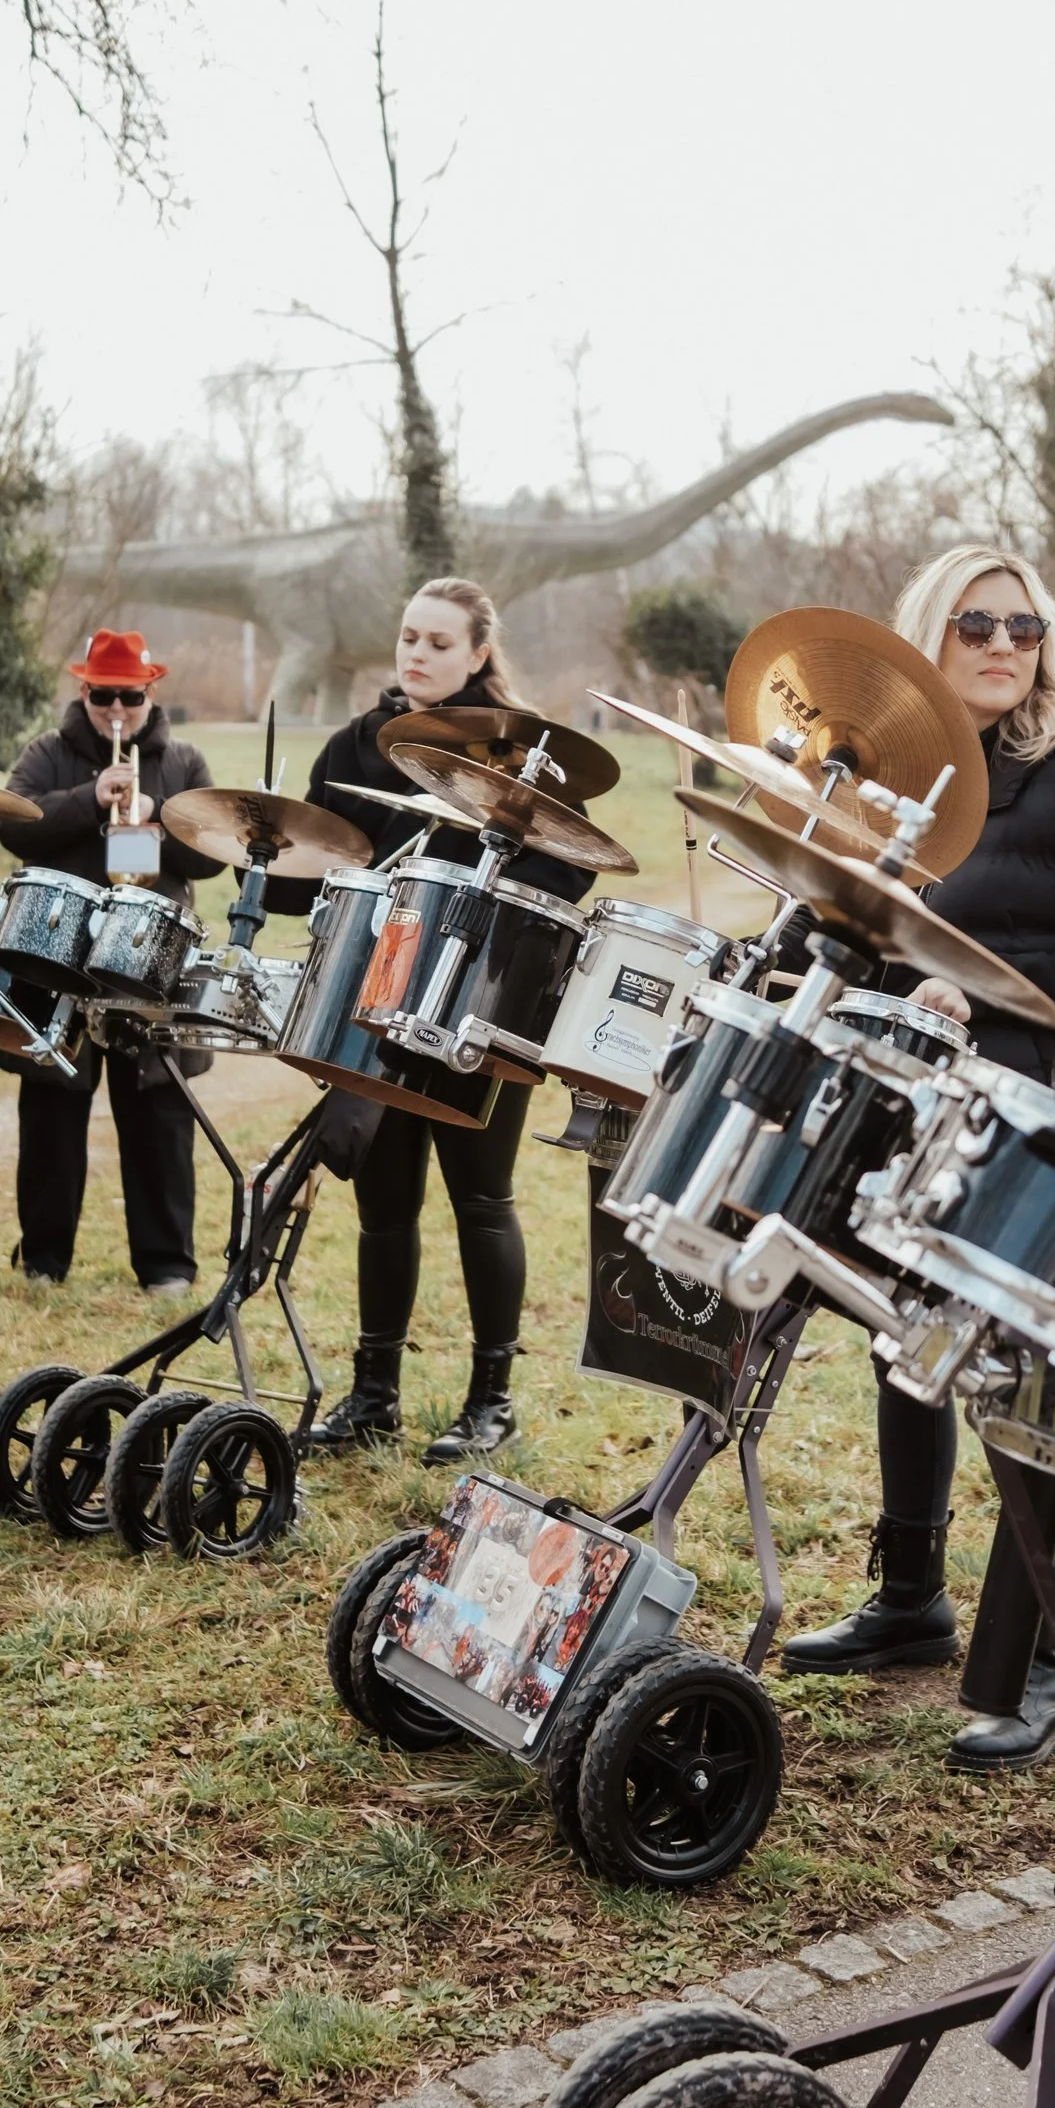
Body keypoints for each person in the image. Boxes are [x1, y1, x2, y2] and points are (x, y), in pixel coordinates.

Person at [781, 545, 1055, 1772]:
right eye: (971, 626)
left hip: (1037, 1105)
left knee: (1011, 1377)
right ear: (924, 644)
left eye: (1021, 625)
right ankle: (910, 1600)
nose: (1002, 644)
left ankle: (1045, 1660)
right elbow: (849, 919)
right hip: (912, 1091)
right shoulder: (892, 780)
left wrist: (980, 996)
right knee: (908, 1340)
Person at [288, 577, 594, 1464]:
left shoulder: (526, 751)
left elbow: (574, 874)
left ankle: (490, 1404)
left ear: (478, 655)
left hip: (483, 998)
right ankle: (372, 1395)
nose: (416, 654)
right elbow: (326, 859)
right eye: (408, 637)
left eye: (437, 642)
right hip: (378, 993)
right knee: (385, 1208)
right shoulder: (358, 743)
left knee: (481, 1201)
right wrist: (262, 854)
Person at [0, 630, 216, 1295]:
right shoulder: (47, 754)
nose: (116, 710)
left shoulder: (183, 761)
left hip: (150, 956)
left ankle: (167, 1266)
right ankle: (43, 1260)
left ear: (151, 691)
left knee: (159, 1114)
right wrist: (90, 797)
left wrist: (158, 817)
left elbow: (212, 853)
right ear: (82, 690)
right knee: (52, 1112)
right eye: (102, 696)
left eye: (129, 696)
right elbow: (14, 823)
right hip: (61, 952)